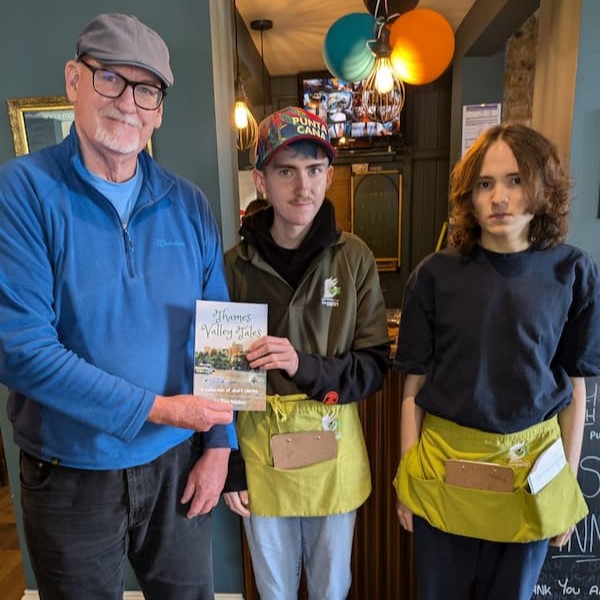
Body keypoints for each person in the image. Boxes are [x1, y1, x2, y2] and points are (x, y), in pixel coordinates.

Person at [0, 13, 236, 600]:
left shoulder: (189, 204)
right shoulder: (22, 192)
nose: (128, 103)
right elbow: (20, 350)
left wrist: (218, 448)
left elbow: (222, 331)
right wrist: (159, 409)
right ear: (75, 81)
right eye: (111, 79)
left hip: (177, 467)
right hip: (69, 474)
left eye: (147, 89)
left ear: (159, 109)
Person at [393, 123, 600, 600]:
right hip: (443, 467)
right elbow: (413, 389)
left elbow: (575, 391)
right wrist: (407, 480)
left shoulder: (573, 273)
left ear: (542, 187)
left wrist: (568, 485)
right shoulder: (434, 274)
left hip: (531, 472)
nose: (499, 197)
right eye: (485, 184)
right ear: (469, 196)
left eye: (515, 180)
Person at [222, 106, 390, 599]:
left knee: (331, 586)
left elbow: (374, 366)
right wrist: (230, 463)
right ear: (261, 180)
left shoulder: (354, 257)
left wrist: (303, 365)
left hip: (331, 451)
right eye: (286, 171)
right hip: (259, 453)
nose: (304, 187)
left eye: (315, 170)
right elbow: (219, 380)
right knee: (273, 588)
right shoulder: (234, 267)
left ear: (330, 175)